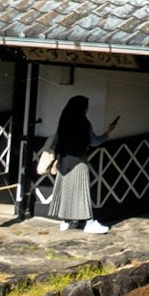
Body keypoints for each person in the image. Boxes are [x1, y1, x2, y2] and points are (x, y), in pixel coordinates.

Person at [46, 94, 101, 233]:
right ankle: (89, 222)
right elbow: (94, 141)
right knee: (82, 192)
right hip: (79, 161)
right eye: (86, 106)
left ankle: (65, 222)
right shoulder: (84, 122)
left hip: (64, 161)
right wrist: (108, 133)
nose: (87, 109)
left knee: (66, 191)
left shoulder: (64, 120)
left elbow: (57, 141)